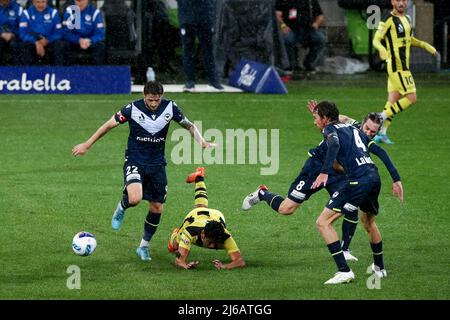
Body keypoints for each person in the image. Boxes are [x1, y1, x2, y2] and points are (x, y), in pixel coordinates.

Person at [72, 81, 216, 261]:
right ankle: (121, 207)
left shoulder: (170, 108)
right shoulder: (132, 109)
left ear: (161, 96)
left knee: (157, 207)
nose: (154, 104)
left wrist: (201, 142)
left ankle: (143, 246)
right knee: (135, 198)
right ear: (143, 95)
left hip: (157, 164)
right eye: (150, 100)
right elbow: (108, 125)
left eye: (157, 100)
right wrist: (87, 144)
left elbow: (188, 125)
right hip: (135, 160)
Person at [242, 102, 396, 262]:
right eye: (367, 128)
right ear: (362, 123)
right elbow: (339, 118)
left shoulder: (363, 137)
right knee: (286, 209)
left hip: (337, 173)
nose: (369, 132)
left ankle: (344, 250)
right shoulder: (352, 126)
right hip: (317, 168)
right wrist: (320, 115)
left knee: (350, 207)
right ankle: (262, 193)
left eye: (373, 131)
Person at [310, 101, 403, 284]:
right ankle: (379, 268)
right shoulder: (354, 130)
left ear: (325, 119)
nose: (314, 122)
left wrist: (324, 171)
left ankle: (344, 270)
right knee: (368, 222)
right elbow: (382, 153)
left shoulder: (330, 130)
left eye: (316, 118)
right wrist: (396, 179)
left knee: (323, 222)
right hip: (373, 177)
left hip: (357, 181)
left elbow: (334, 144)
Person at [372, 0, 440, 144]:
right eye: (398, 0)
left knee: (393, 100)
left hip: (402, 66)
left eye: (404, 0)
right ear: (392, 2)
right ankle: (379, 117)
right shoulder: (387, 19)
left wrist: (424, 45)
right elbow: (376, 40)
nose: (401, 3)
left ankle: (381, 134)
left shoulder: (407, 19)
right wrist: (382, 50)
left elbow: (408, 40)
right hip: (398, 67)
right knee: (411, 97)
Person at [168, 167, 245, 270]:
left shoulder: (224, 236)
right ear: (203, 235)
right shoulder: (190, 231)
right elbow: (179, 261)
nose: (212, 246)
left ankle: (199, 177)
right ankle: (175, 233)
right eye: (210, 242)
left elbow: (240, 261)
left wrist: (225, 266)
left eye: (215, 242)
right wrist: (185, 265)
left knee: (201, 206)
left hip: (216, 216)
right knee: (174, 247)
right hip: (195, 216)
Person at [177, 0, 224, 92]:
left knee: (207, 50)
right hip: (189, 19)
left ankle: (212, 81)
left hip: (204, 18)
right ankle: (190, 82)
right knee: (189, 50)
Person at [275, 0, 326, 72]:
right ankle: (290, 65)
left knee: (320, 39)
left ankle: (309, 63)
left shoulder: (310, 1)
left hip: (308, 30)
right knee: (287, 39)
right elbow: (277, 15)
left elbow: (320, 15)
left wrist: (316, 23)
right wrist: (283, 26)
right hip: (291, 29)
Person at [18, 0, 65, 65]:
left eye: (43, 1)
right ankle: (27, 72)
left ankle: (58, 72)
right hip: (33, 42)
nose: (40, 4)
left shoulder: (54, 13)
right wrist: (36, 42)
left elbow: (59, 33)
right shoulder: (26, 13)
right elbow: (23, 33)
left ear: (46, 2)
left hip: (49, 41)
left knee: (60, 45)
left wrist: (47, 40)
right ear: (33, 2)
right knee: (24, 46)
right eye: (38, 2)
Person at [62, 0, 106, 65]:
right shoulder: (70, 12)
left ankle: (98, 72)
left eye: (82, 0)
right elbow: (66, 33)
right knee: (64, 45)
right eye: (78, 1)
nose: (80, 3)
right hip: (75, 42)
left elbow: (100, 33)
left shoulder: (95, 12)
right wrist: (78, 40)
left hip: (90, 42)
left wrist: (90, 40)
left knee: (101, 46)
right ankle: (67, 72)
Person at [0, 0, 22, 65]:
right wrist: (1, 34)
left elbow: (23, 28)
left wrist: (13, 34)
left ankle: (17, 72)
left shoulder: (18, 8)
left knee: (15, 44)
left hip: (15, 36)